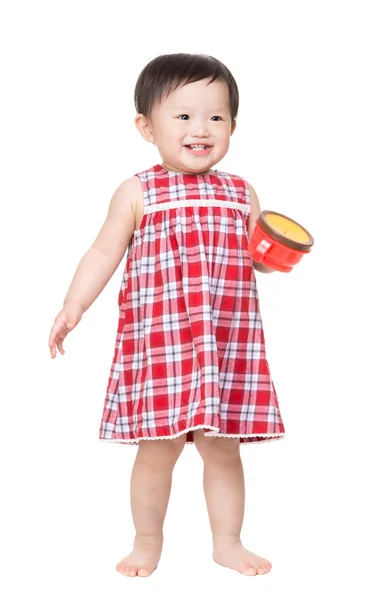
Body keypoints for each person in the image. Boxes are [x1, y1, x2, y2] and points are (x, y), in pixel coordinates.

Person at [48, 53, 285, 578]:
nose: (201, 129)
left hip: (225, 344)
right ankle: (146, 539)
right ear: (146, 127)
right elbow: (103, 252)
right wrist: (74, 304)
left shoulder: (240, 192)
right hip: (162, 343)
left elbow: (256, 256)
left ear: (233, 127)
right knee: (158, 450)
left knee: (223, 451)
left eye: (216, 118)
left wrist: (272, 254)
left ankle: (227, 540)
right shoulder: (138, 191)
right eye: (182, 116)